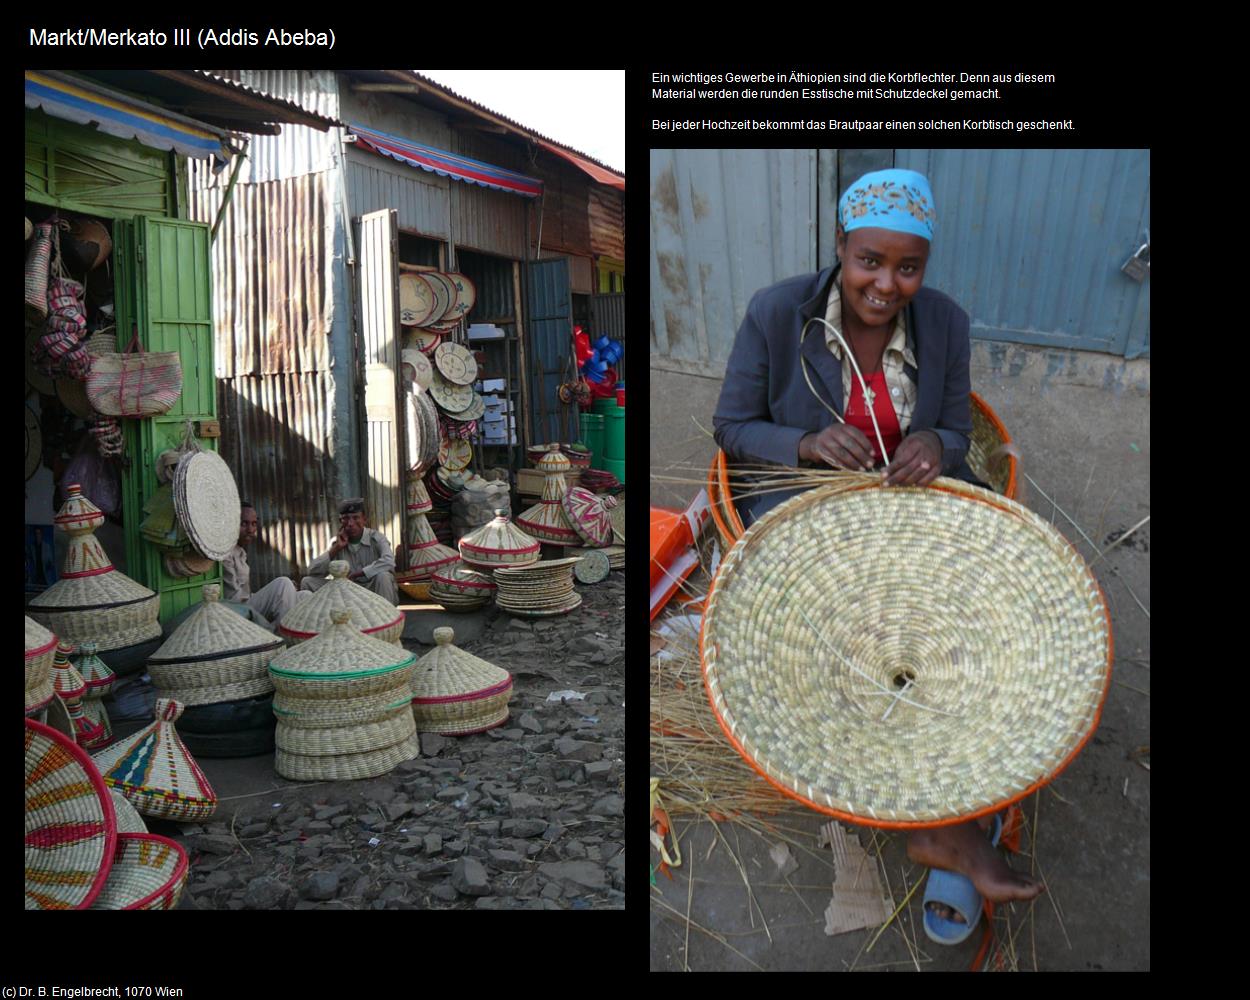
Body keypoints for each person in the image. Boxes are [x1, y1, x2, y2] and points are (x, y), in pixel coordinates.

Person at [712, 168, 1041, 941]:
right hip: (807, 505)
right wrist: (806, 442)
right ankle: (943, 829)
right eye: (869, 261)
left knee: (968, 624)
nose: (885, 284)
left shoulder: (948, 324)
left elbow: (959, 434)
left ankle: (949, 790)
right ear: (839, 248)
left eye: (907, 267)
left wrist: (929, 441)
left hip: (908, 506)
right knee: (853, 630)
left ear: (924, 267)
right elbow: (732, 427)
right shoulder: (776, 312)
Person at [221, 501, 306, 629]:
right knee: (283, 584)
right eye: (244, 524)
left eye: (254, 524)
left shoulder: (240, 552)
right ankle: (282, 639)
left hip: (247, 606)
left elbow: (247, 596)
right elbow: (235, 601)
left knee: (305, 596)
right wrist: (278, 593)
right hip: (238, 614)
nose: (250, 530)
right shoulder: (226, 555)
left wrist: (283, 594)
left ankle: (300, 636)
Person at [300, 498, 398, 604]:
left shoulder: (376, 538)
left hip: (372, 591)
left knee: (383, 577)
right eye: (345, 518)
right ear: (340, 521)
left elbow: (389, 561)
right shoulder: (336, 543)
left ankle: (388, 618)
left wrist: (359, 573)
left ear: (364, 519)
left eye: (356, 518)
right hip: (346, 594)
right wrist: (336, 548)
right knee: (307, 582)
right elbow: (313, 571)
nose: (350, 523)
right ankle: (319, 619)